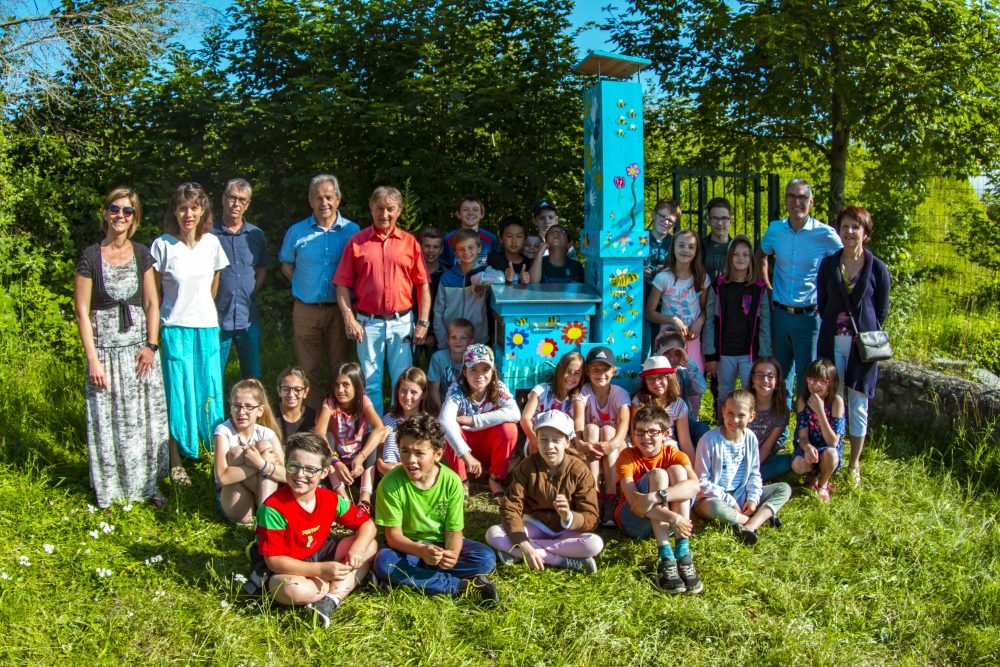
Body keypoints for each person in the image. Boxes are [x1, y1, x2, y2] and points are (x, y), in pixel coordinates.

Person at [74, 187, 169, 508]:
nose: (120, 216)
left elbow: (153, 302)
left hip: (138, 352)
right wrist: (93, 360)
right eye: (115, 209)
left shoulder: (142, 254)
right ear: (105, 213)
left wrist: (151, 346)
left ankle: (147, 486)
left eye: (127, 211)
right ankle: (111, 489)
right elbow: (82, 312)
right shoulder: (89, 257)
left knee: (143, 419)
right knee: (107, 418)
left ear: (135, 218)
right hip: (105, 352)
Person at [250, 431, 377, 628]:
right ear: (286, 465)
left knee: (370, 544)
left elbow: (367, 525)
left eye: (310, 470)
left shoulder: (330, 499)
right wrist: (321, 570)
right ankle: (341, 584)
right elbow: (274, 561)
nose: (300, 475)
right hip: (286, 566)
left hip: (317, 551)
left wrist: (357, 550)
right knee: (293, 590)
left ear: (324, 473)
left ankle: (330, 600)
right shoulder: (273, 508)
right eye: (294, 466)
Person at [151, 182, 230, 484]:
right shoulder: (163, 245)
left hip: (207, 329)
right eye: (183, 207)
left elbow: (214, 281)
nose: (188, 213)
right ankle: (175, 461)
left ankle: (212, 456)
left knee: (208, 391)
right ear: (174, 210)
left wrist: (201, 308)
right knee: (178, 393)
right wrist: (155, 333)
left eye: (194, 207)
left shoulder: (211, 243)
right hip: (174, 330)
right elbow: (153, 295)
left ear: (202, 210)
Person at [373, 414, 499, 604]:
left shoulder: (452, 482)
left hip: (440, 545)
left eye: (419, 453)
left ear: (438, 454)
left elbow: (454, 530)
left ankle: (408, 579)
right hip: (408, 548)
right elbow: (393, 537)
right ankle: (461, 586)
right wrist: (421, 551)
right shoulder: (390, 484)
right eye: (404, 451)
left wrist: (453, 554)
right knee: (384, 562)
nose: (410, 460)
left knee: (486, 558)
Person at [335, 186, 431, 415]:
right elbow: (341, 283)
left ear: (399, 211)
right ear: (371, 208)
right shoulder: (357, 242)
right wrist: (349, 318)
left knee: (404, 382)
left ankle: (402, 431)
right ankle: (376, 434)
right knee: (370, 383)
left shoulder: (409, 243)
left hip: (402, 321)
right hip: (368, 323)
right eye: (379, 208)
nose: (384, 214)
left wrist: (423, 322)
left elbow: (423, 285)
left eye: (390, 209)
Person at [817, 206, 890, 487]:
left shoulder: (878, 268)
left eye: (855, 227)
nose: (849, 232)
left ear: (866, 233)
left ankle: (854, 462)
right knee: (832, 398)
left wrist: (862, 329)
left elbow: (881, 309)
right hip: (832, 341)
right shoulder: (829, 264)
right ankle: (829, 455)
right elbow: (823, 303)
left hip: (862, 348)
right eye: (845, 226)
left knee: (858, 403)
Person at [486, 410, 603, 573]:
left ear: (567, 442)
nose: (549, 446)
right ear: (536, 441)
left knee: (594, 544)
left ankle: (522, 554)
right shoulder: (526, 466)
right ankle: (560, 560)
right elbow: (511, 507)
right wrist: (524, 543)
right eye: (543, 440)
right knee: (493, 534)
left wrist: (568, 517)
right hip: (535, 525)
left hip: (567, 531)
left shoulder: (580, 470)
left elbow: (591, 517)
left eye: (556, 440)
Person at [279, 174, 359, 412]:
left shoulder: (352, 231)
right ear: (310, 201)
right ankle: (312, 420)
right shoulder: (296, 232)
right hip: (306, 309)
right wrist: (304, 286)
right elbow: (286, 264)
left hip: (340, 310)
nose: (324, 202)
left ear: (338, 199)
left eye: (328, 197)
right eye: (318, 197)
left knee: (340, 369)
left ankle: (339, 418)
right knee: (308, 370)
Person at [758, 178, 842, 398]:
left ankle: (804, 430)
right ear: (785, 200)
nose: (797, 202)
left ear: (811, 201)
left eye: (802, 197)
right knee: (779, 376)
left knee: (809, 377)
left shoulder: (825, 234)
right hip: (780, 314)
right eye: (791, 196)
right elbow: (761, 254)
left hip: (810, 317)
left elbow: (845, 261)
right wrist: (767, 286)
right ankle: (781, 430)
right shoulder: (775, 230)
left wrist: (829, 297)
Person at [615, 405, 702, 594]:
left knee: (678, 471)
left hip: (668, 520)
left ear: (666, 434)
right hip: (635, 520)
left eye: (652, 432)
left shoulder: (674, 454)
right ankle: (666, 558)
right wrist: (675, 518)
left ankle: (682, 552)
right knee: (658, 475)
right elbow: (634, 502)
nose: (646, 437)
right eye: (640, 432)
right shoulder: (627, 456)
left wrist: (659, 496)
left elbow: (695, 486)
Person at [693, 390, 791, 546]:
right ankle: (753, 520)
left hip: (742, 494)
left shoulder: (750, 437)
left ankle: (750, 526)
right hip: (715, 497)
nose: (734, 420)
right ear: (723, 411)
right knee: (713, 507)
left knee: (784, 489)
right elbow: (701, 482)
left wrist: (753, 498)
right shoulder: (709, 440)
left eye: (741, 415)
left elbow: (754, 473)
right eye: (730, 413)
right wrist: (729, 500)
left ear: (751, 416)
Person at [439, 344, 520, 501]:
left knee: (509, 428)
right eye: (473, 369)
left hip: (489, 445)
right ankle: (461, 480)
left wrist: (474, 420)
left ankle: (495, 478)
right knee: (450, 428)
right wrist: (466, 455)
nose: (479, 375)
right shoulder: (457, 390)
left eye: (485, 369)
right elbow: (444, 420)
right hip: (465, 448)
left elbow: (515, 413)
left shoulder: (498, 388)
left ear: (493, 370)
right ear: (464, 371)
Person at [646, 229, 710, 415]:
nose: (686, 250)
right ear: (673, 248)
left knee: (693, 384)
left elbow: (706, 309)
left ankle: (692, 422)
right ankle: (664, 420)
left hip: (692, 339)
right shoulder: (663, 277)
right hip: (669, 340)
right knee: (666, 380)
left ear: (697, 251)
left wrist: (699, 321)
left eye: (691, 246)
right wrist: (672, 320)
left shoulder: (701, 278)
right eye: (681, 245)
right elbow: (650, 313)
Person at [703, 234, 772, 407]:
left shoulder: (759, 288)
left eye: (745, 255)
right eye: (736, 254)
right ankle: (722, 431)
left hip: (749, 353)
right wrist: (710, 353)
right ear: (729, 257)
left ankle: (748, 433)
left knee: (750, 395)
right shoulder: (719, 286)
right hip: (724, 352)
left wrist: (764, 354)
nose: (740, 258)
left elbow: (764, 323)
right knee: (724, 395)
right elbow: (710, 320)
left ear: (751, 259)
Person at [212, 178, 268, 380]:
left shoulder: (256, 235)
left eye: (242, 200)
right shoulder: (209, 235)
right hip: (217, 317)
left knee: (252, 378)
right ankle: (214, 412)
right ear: (223, 198)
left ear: (247, 204)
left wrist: (252, 292)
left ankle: (252, 412)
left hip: (248, 317)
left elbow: (261, 268)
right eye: (232, 198)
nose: (236, 204)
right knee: (212, 377)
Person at [313, 362, 387, 514]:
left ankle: (364, 499)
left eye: (346, 385)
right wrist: (335, 460)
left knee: (370, 439)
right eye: (337, 385)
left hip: (359, 462)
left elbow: (380, 429)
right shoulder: (330, 403)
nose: (340, 390)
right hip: (337, 460)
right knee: (327, 438)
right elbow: (319, 432)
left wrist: (360, 457)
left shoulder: (363, 401)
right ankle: (344, 500)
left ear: (356, 386)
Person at [214, 379, 286, 524]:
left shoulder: (267, 434)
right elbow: (221, 478)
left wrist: (260, 463)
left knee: (264, 445)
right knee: (236, 453)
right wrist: (258, 463)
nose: (242, 412)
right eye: (237, 406)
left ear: (260, 410)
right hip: (236, 500)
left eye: (248, 407)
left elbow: (285, 476)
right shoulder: (223, 431)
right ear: (230, 407)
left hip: (264, 493)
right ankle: (267, 513)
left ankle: (266, 514)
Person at [576, 346, 630, 527]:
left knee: (608, 430)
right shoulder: (583, 392)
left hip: (617, 445)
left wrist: (613, 443)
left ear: (613, 371)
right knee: (591, 428)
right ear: (587, 371)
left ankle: (611, 496)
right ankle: (595, 494)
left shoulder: (619, 393)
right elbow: (578, 421)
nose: (601, 374)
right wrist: (580, 443)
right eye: (595, 369)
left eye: (605, 369)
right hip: (590, 445)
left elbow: (624, 423)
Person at [791, 358, 846, 502]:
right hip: (811, 446)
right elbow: (803, 436)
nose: (815, 385)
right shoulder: (803, 401)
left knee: (831, 455)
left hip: (828, 449)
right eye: (811, 380)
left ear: (831, 383)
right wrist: (807, 447)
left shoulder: (836, 402)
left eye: (822, 381)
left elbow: (833, 442)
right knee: (797, 465)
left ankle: (823, 484)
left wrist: (820, 412)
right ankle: (812, 474)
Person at [631, 356, 697, 461]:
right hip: (643, 445)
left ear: (669, 378)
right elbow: (634, 435)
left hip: (667, 446)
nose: (656, 383)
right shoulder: (639, 401)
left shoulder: (679, 405)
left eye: (661, 377)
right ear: (645, 382)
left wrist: (693, 471)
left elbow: (685, 442)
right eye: (650, 378)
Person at [521, 350, 585, 454]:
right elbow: (525, 419)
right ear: (560, 370)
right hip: (538, 439)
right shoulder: (541, 390)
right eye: (568, 371)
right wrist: (535, 441)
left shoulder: (578, 399)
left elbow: (579, 426)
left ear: (581, 377)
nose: (571, 377)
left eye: (576, 373)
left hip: (564, 443)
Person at [433, 229, 490, 346]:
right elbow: (438, 312)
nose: (466, 252)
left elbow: (500, 279)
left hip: (478, 339)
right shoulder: (447, 278)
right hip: (452, 341)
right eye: (461, 249)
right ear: (455, 252)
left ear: (479, 248)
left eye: (470, 248)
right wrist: (443, 341)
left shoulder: (485, 274)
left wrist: (480, 281)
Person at [747, 357, 793, 481]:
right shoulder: (742, 403)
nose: (765, 380)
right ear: (752, 379)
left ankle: (749, 478)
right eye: (760, 375)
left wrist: (751, 468)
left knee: (788, 461)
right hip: (736, 454)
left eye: (770, 376)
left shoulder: (781, 412)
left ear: (777, 382)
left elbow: (767, 447)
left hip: (761, 458)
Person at [644, 199, 679, 356]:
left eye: (670, 220)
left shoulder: (675, 243)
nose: (665, 222)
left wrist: (667, 270)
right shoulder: (639, 239)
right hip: (641, 300)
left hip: (664, 305)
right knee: (644, 348)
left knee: (661, 350)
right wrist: (638, 271)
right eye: (662, 216)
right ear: (653, 215)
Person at [380, 367, 429, 475]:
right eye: (403, 391)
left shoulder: (426, 422)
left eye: (413, 392)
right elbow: (379, 448)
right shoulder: (389, 418)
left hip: (415, 471)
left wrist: (397, 468)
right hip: (387, 470)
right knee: (390, 434)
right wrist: (380, 463)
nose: (407, 397)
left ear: (423, 394)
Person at [427, 318, 473, 414]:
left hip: (467, 408)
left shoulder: (474, 359)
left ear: (470, 341)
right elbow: (434, 390)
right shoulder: (438, 358)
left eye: (463, 338)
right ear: (447, 340)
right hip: (444, 406)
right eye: (453, 337)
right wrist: (441, 413)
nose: (457, 341)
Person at [442, 195, 497, 268]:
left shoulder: (491, 238)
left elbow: (496, 264)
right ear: (458, 214)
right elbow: (444, 266)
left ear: (482, 214)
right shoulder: (449, 239)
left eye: (475, 209)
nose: (470, 213)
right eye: (465, 209)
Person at [417, 226, 446, 353]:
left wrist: (434, 334)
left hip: (438, 331)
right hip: (414, 327)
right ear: (420, 246)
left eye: (435, 247)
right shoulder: (411, 272)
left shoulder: (446, 275)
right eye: (427, 246)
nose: (431, 251)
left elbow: (447, 308)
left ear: (441, 249)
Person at [273, 367, 316, 442]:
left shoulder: (312, 416)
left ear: (305, 392)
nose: (291, 394)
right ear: (279, 391)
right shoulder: (270, 414)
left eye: (297, 389)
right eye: (286, 389)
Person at [485, 215, 532, 284]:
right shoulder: (493, 259)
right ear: (501, 239)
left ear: (525, 239)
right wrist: (506, 280)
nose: (514, 241)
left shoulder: (529, 263)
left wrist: (524, 283)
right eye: (509, 236)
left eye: (519, 236)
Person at [700, 196, 733, 283]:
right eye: (715, 218)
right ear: (708, 221)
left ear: (731, 221)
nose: (719, 223)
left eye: (724, 218)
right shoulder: (698, 247)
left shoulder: (737, 248)